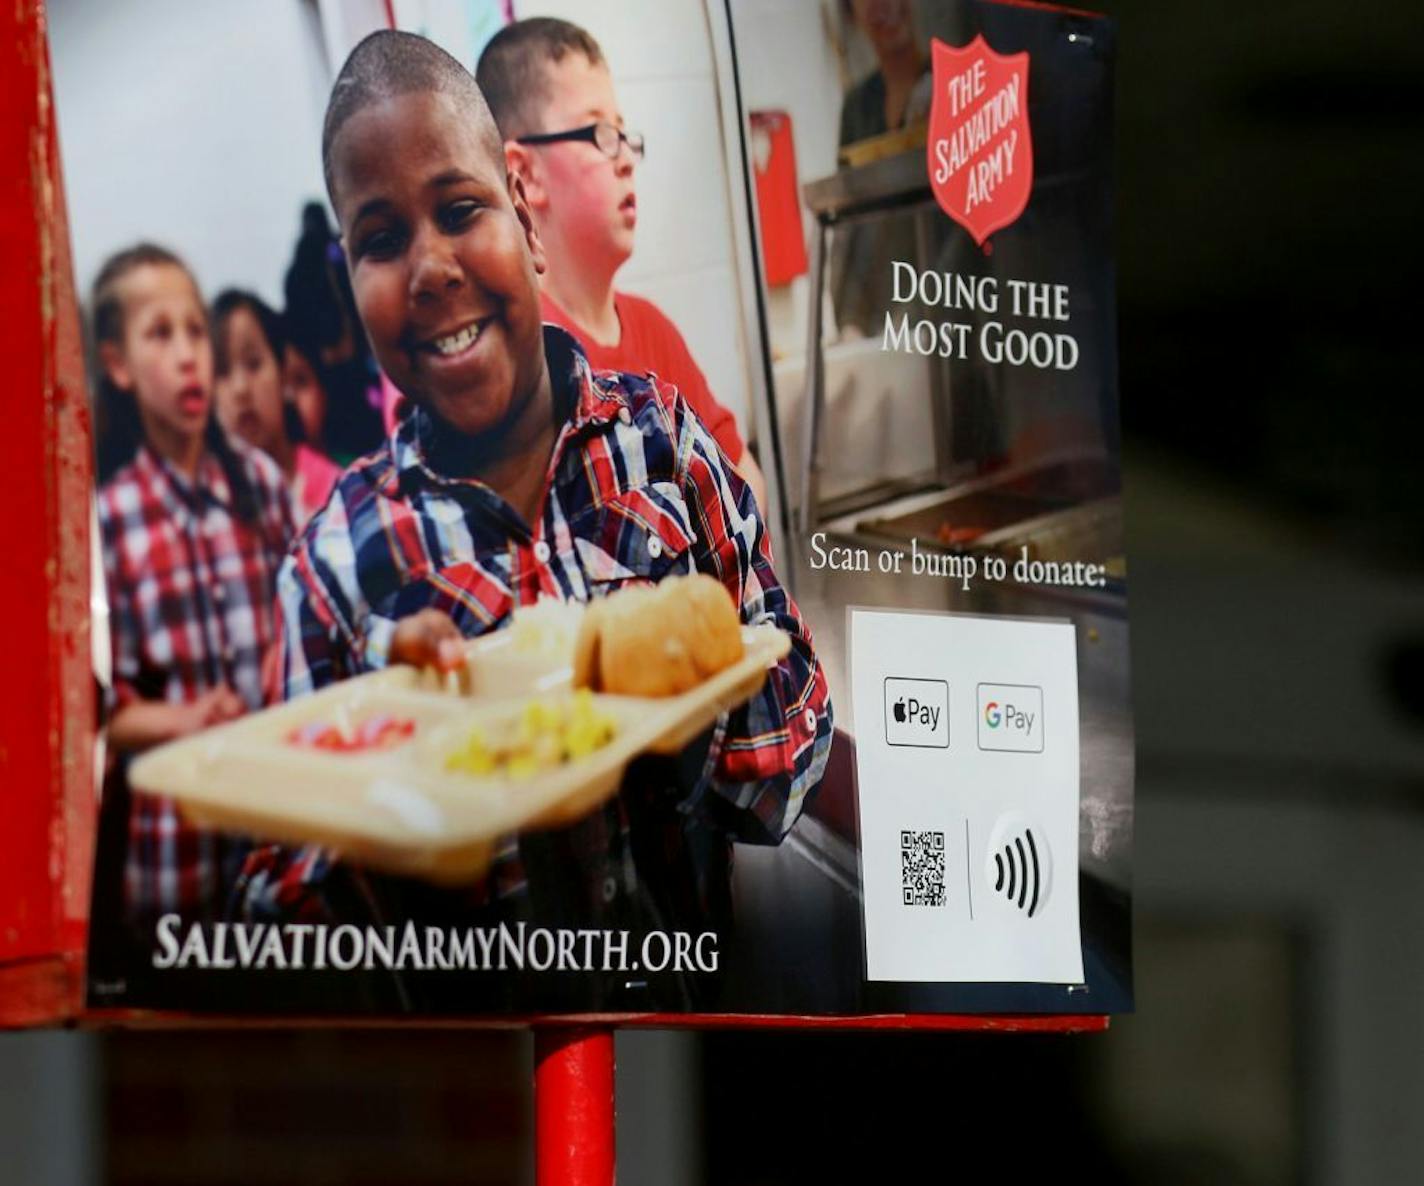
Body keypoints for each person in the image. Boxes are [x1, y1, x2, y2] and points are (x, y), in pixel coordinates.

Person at [237, 32, 831, 1003]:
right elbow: (277, 918)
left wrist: (689, 718)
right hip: (484, 1098)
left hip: (683, 1041)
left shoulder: (661, 448)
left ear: (520, 195)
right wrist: (375, 790)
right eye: (381, 241)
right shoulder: (334, 568)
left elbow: (796, 748)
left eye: (460, 209)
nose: (428, 267)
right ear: (348, 273)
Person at [476, 18, 770, 512]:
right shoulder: (528, 359)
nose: (627, 159)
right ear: (525, 175)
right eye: (599, 133)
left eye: (623, 132)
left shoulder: (654, 328)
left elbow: (746, 480)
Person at [91, 245, 293, 925]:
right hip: (173, 864)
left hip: (276, 836)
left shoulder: (261, 486)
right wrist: (184, 721)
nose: (188, 355)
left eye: (195, 332)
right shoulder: (110, 520)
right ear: (117, 365)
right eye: (160, 334)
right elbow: (99, 713)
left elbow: (303, 636)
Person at [211, 289, 341, 529]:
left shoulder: (335, 490)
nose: (240, 389)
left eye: (254, 364)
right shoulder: (212, 502)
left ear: (283, 373)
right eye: (222, 371)